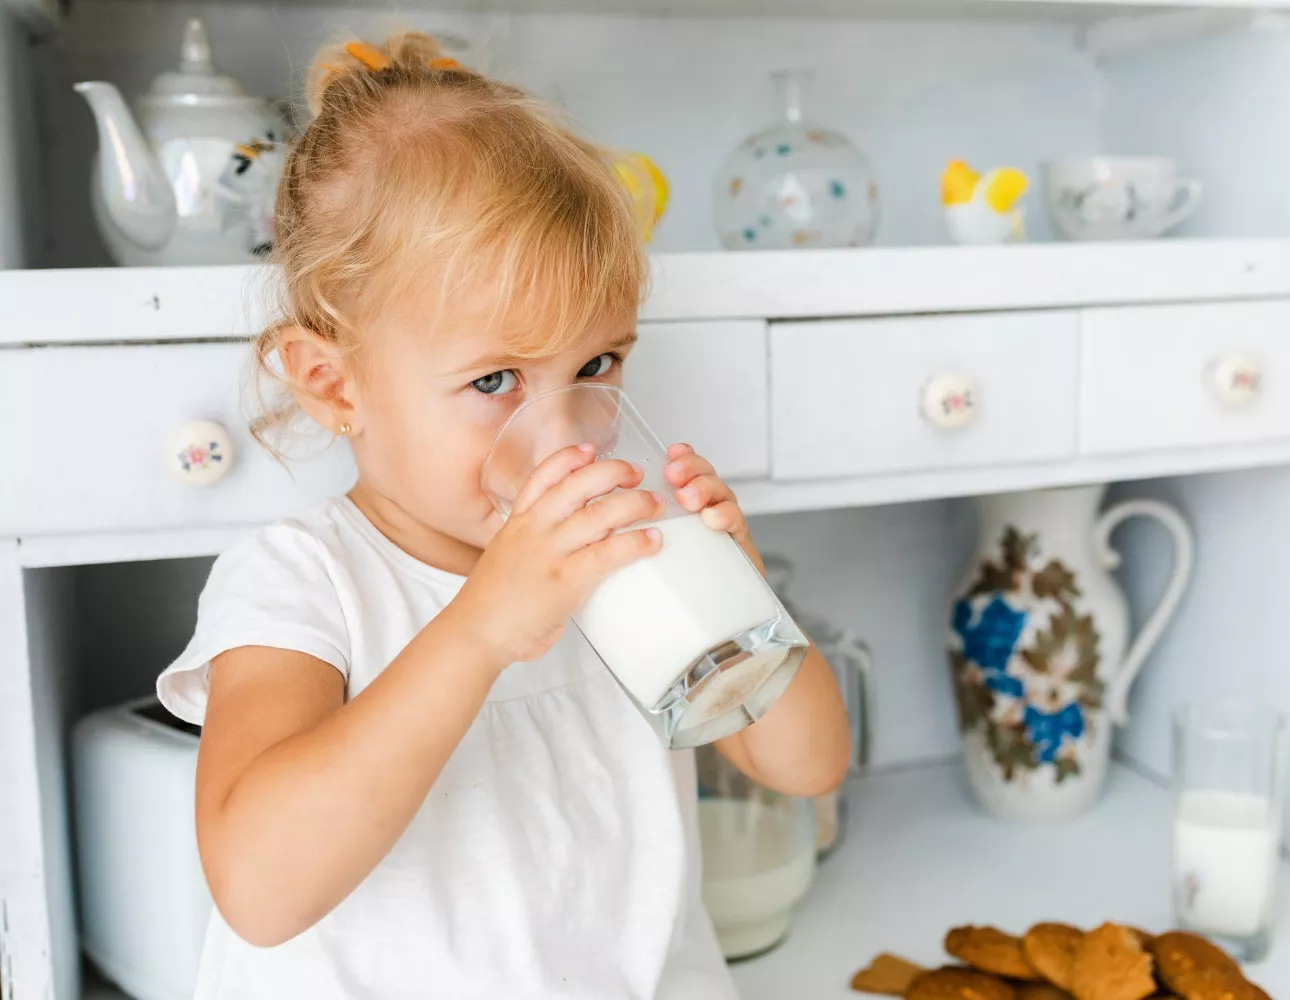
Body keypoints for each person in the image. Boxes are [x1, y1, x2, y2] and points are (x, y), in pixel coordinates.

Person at [157, 32, 850, 1000]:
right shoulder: (301, 581)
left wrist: (747, 595)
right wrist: (482, 625)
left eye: (597, 366)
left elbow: (808, 765)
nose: (565, 431)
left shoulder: (621, 553)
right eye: (494, 380)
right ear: (332, 382)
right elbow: (260, 889)